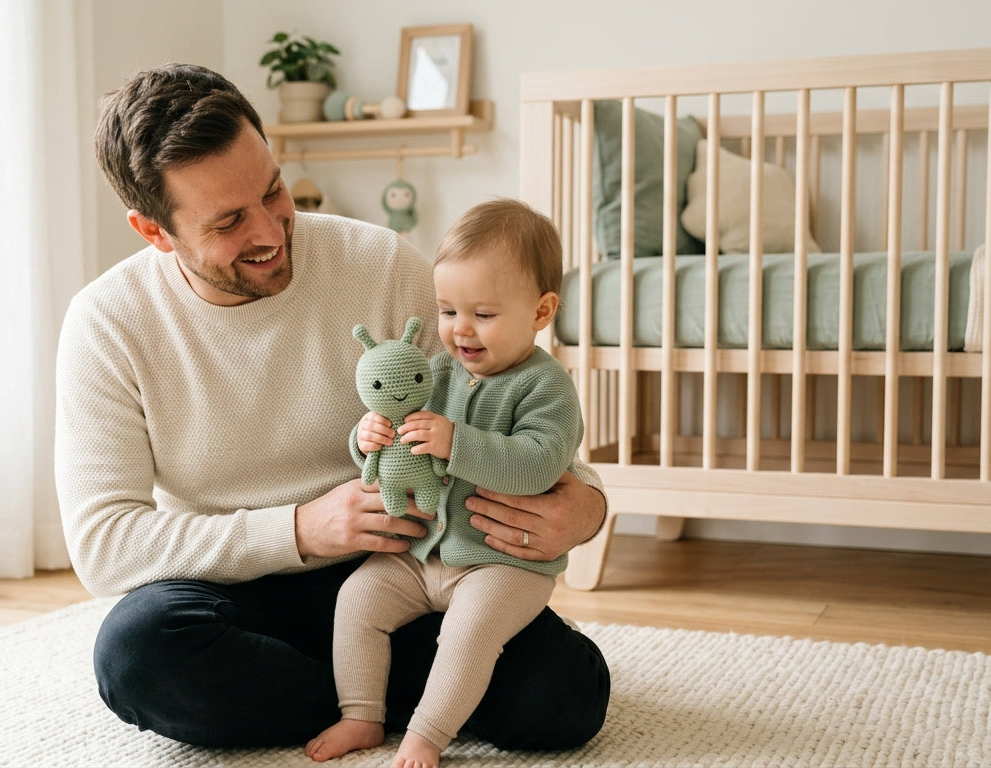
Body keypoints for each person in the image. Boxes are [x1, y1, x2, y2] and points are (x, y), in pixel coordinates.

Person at [55, 62, 611, 753]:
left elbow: (507, 411)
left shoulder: (379, 263)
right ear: (154, 231)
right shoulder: (108, 323)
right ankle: (397, 698)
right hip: (232, 591)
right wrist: (301, 529)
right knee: (139, 656)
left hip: (405, 567)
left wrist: (587, 506)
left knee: (564, 697)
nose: (269, 231)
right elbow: (105, 546)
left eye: (273, 191)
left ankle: (371, 696)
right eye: (229, 221)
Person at [307, 199, 587, 768]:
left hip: (502, 564)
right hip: (421, 550)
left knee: (468, 633)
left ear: (541, 311)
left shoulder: (546, 387)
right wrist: (366, 439)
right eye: (446, 310)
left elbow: (539, 465)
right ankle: (361, 716)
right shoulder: (433, 371)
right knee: (356, 599)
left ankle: (425, 737)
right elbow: (390, 454)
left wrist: (456, 443)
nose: (460, 330)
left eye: (483, 313)